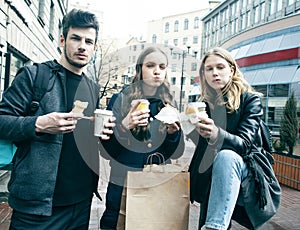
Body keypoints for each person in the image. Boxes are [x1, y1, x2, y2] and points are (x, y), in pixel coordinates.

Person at [0, 9, 114, 229]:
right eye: (76, 38)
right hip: (37, 207)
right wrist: (39, 124)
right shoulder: (35, 76)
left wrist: (107, 131)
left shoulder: (92, 88)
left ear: (95, 47)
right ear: (62, 40)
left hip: (81, 203)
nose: (82, 46)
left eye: (89, 41)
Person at [99, 46, 185, 229]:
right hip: (122, 182)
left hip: (156, 182)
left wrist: (172, 134)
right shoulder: (120, 99)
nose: (157, 72)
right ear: (140, 69)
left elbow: (177, 153)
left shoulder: (168, 104)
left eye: (162, 67)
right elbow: (106, 151)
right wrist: (124, 126)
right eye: (151, 65)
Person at [187, 47, 267, 229]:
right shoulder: (204, 104)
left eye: (220, 67)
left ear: (231, 70)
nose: (215, 73)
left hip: (244, 167)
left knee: (226, 156)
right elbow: (202, 146)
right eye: (209, 69)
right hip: (212, 172)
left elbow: (245, 145)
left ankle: (214, 227)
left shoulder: (250, 100)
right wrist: (180, 128)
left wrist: (216, 133)